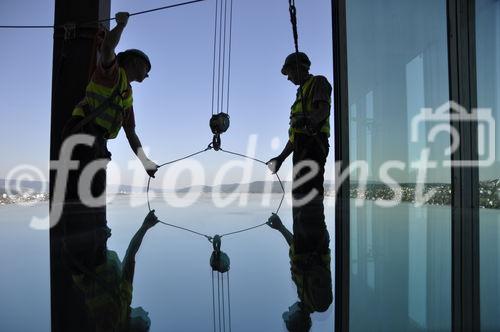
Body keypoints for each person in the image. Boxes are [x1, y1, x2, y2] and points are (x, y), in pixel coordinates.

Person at [63, 12, 158, 200]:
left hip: (96, 140)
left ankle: (84, 224)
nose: (147, 74)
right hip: (83, 132)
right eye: (147, 68)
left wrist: (145, 162)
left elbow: (131, 133)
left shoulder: (127, 95)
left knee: (94, 191)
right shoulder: (112, 73)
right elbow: (107, 47)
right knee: (85, 193)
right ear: (135, 62)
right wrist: (121, 25)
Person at [267, 51, 331, 257]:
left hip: (314, 146)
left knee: (307, 195)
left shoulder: (318, 82)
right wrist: (280, 158)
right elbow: (295, 137)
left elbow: (323, 111)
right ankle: (311, 235)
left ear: (299, 68)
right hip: (302, 148)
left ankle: (316, 238)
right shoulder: (300, 93)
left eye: (289, 72)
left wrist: (308, 121)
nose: (288, 77)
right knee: (299, 194)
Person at [66, 210, 160, 332]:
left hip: (88, 258)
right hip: (92, 253)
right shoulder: (125, 299)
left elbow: (130, 255)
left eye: (146, 322)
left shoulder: (112, 324)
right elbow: (130, 255)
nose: (146, 313)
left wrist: (145, 226)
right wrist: (145, 226)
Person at [267, 213, 332, 332]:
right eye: (289, 314)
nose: (288, 308)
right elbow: (324, 277)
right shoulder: (320, 305)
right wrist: (308, 265)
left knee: (301, 198)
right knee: (309, 200)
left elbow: (297, 253)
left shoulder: (302, 294)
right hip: (314, 239)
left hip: (305, 239)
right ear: (296, 319)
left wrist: (280, 228)